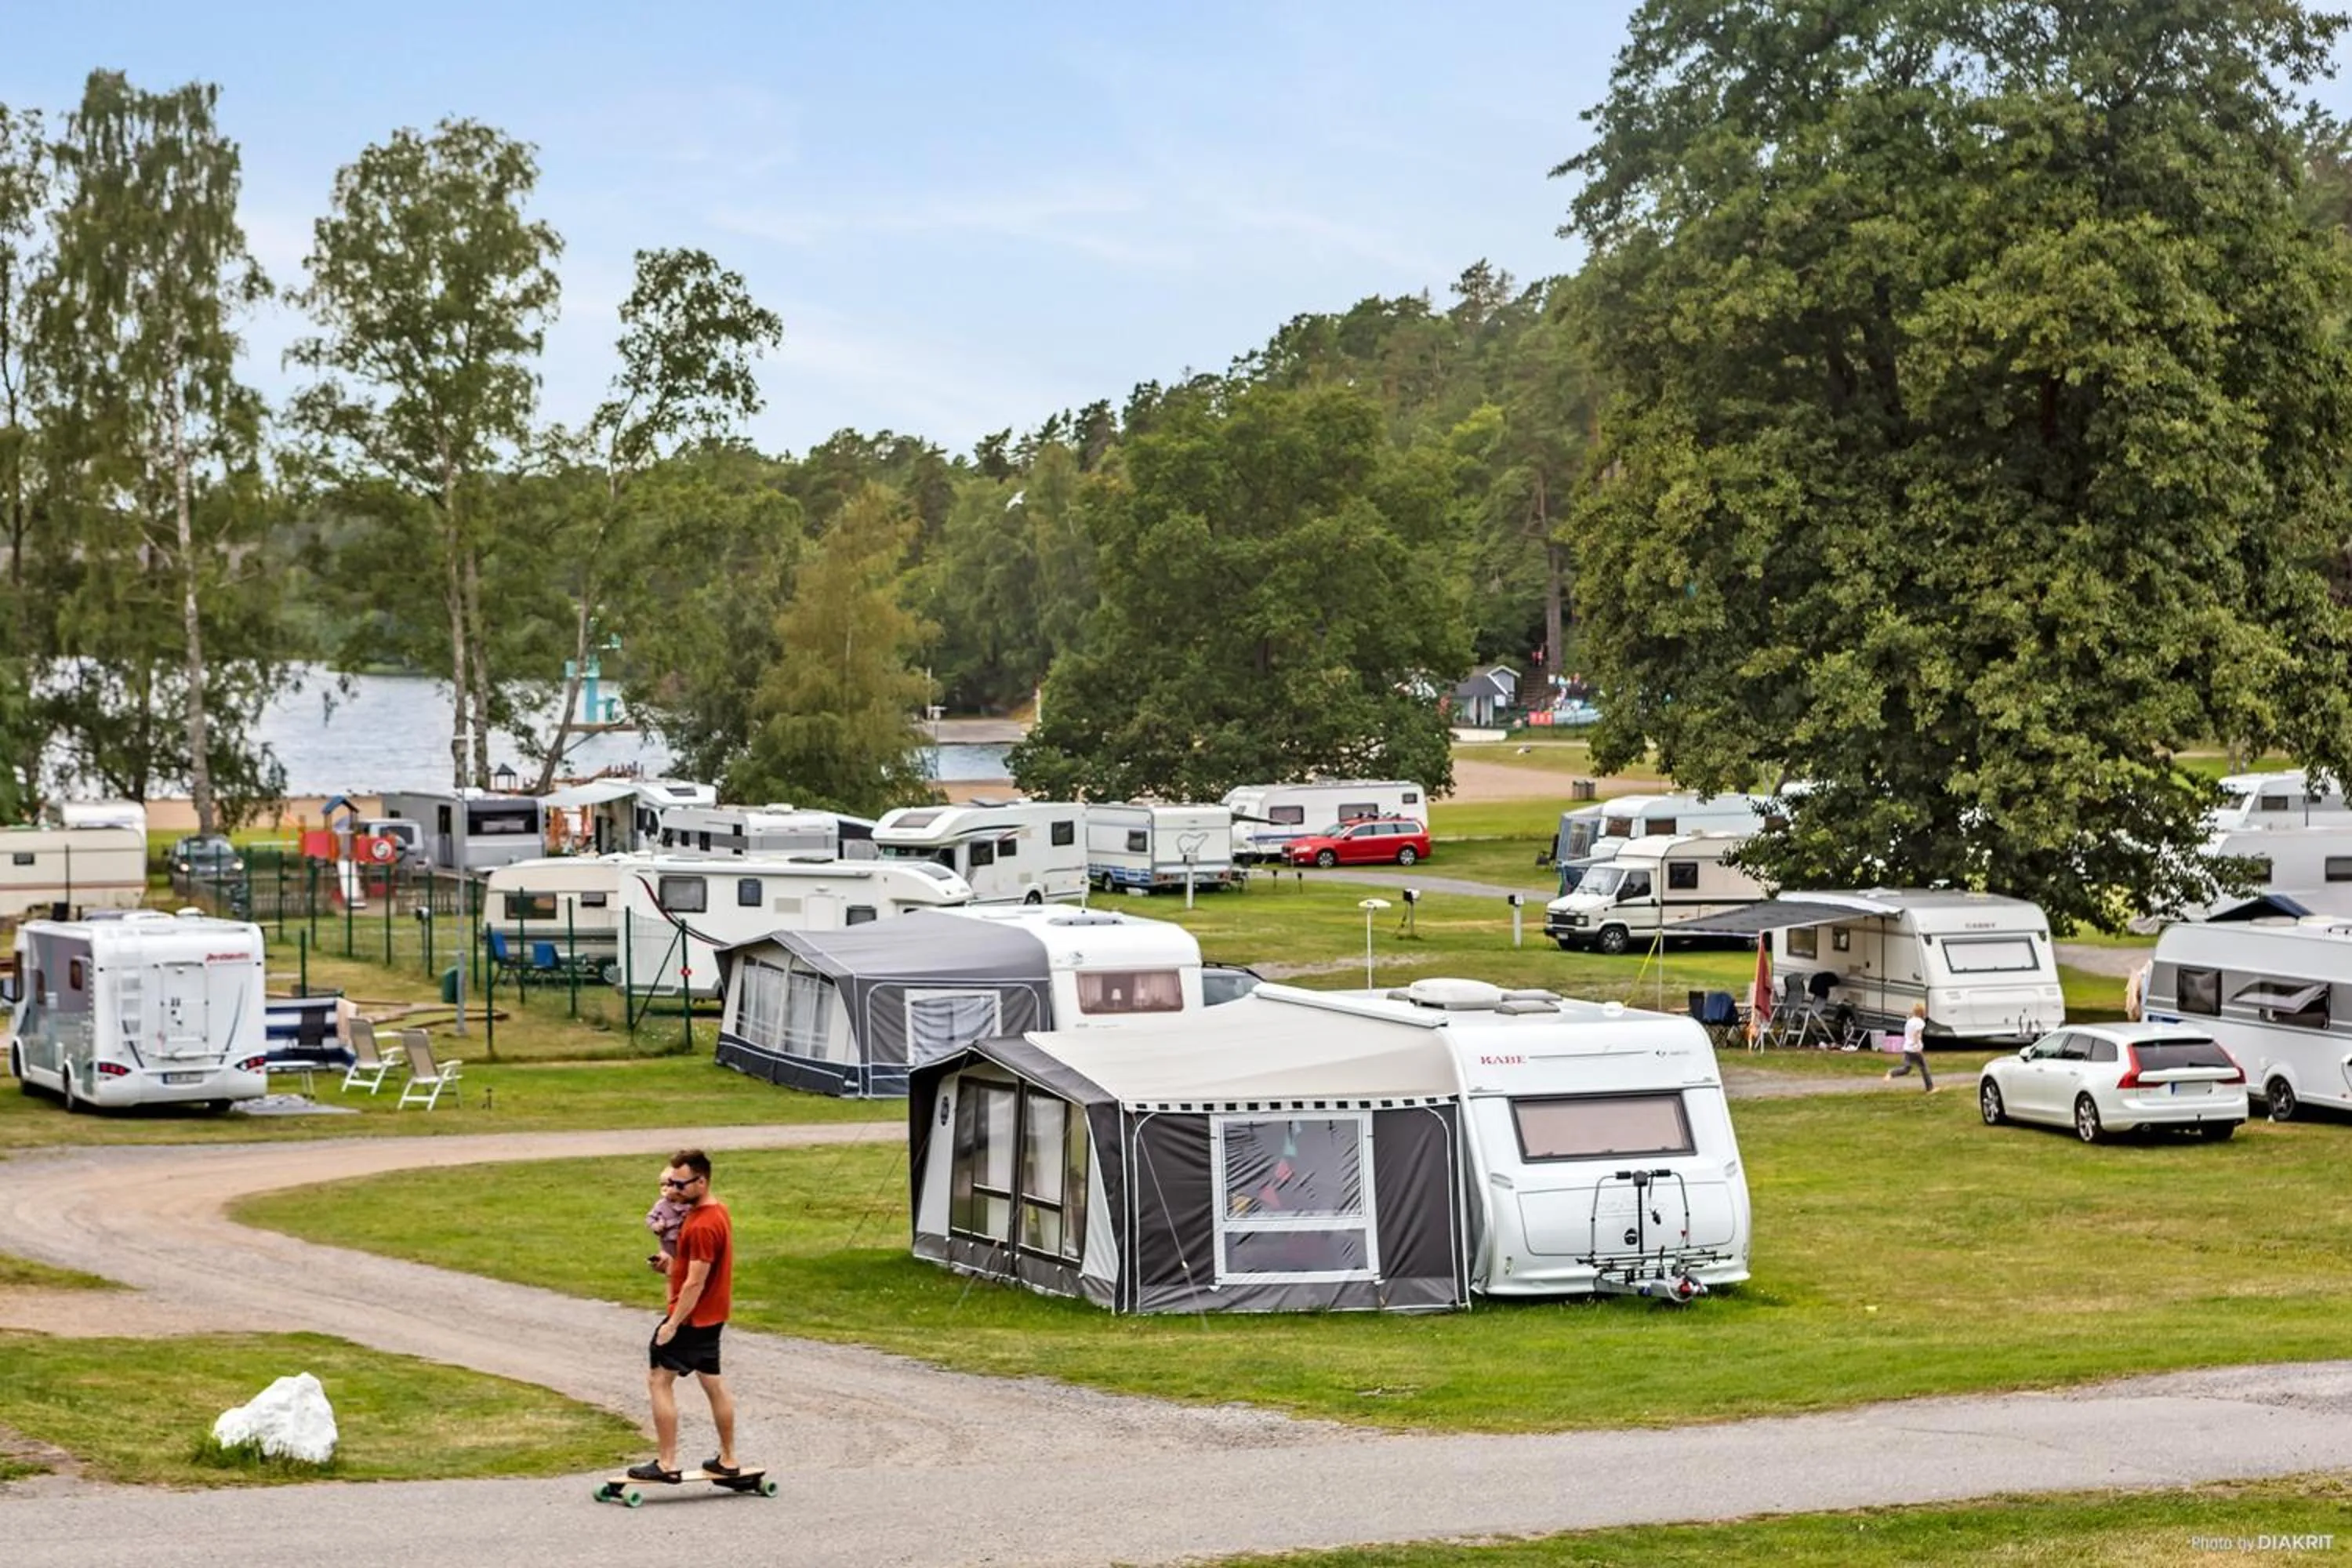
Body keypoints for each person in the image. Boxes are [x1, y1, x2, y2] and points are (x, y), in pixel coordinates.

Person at [627, 1149, 738, 1484]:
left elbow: (695, 1281)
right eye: (670, 1183)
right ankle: (729, 1460)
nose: (672, 1190)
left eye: (680, 1184)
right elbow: (687, 1269)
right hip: (713, 1317)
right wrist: (668, 1268)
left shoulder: (703, 1224)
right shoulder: (718, 1212)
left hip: (690, 1319)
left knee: (659, 1380)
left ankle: (666, 1462)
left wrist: (672, 1324)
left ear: (701, 1182)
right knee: (713, 1383)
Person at [1884, 1001, 1936, 1092]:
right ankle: (1930, 1088)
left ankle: (1891, 1073)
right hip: (1914, 1049)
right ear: (1922, 1013)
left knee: (1906, 1069)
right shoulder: (1920, 1023)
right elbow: (1917, 1035)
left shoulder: (1909, 1021)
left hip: (1907, 1048)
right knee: (1924, 1067)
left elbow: (1907, 1033)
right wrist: (1918, 1047)